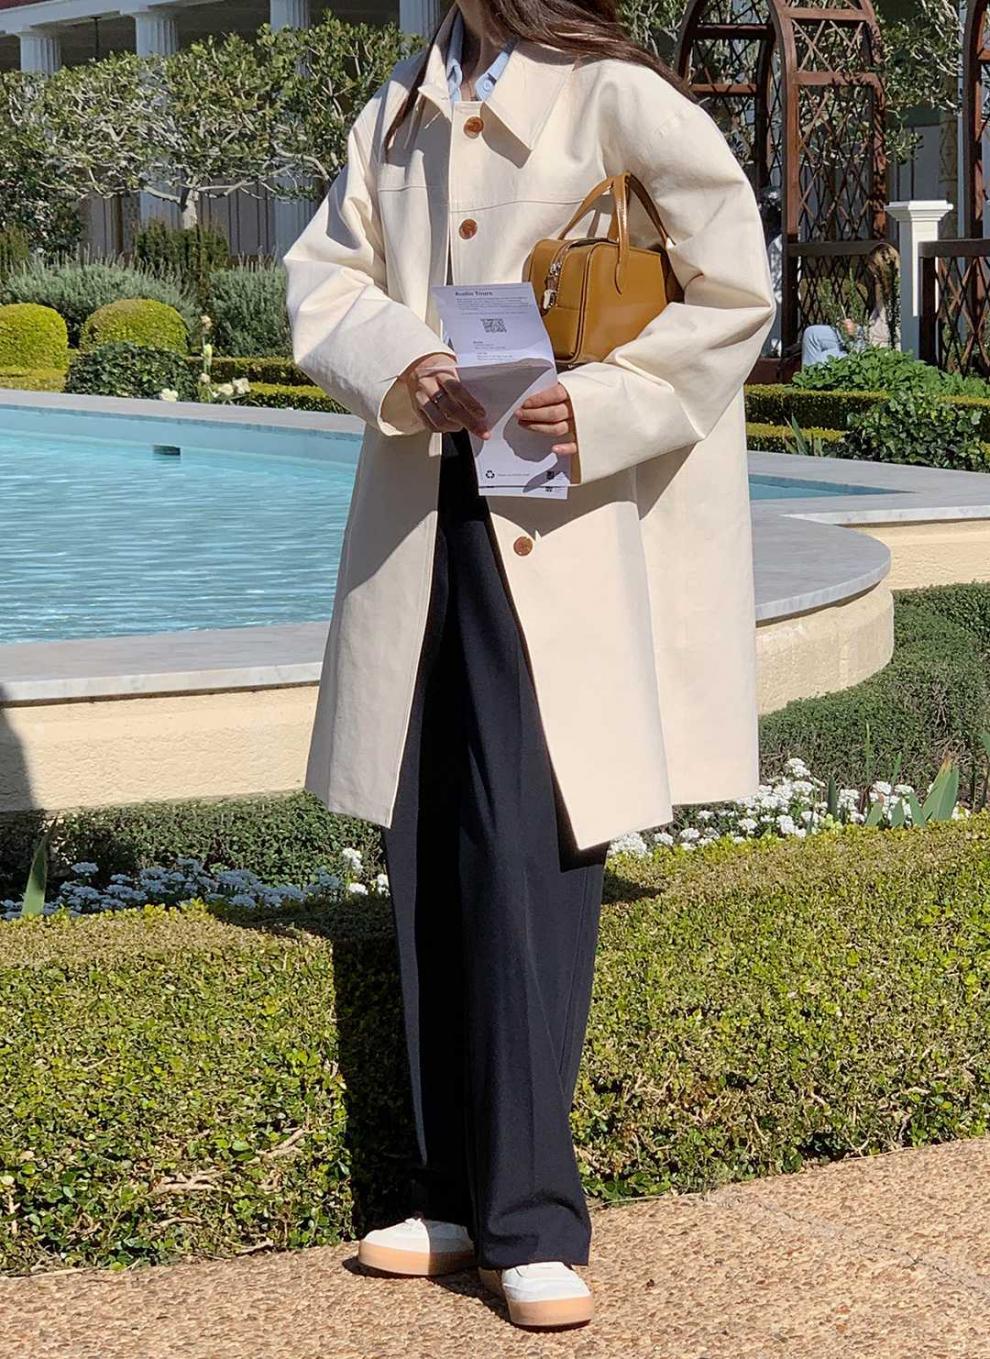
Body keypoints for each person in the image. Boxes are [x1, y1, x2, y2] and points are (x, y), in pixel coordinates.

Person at [282, 0, 775, 1331]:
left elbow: (736, 292)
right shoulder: (397, 104)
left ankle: (534, 1219)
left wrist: (597, 402)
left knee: (525, 846)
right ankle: (451, 1197)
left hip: (560, 522)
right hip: (426, 514)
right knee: (428, 828)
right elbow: (323, 277)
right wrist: (409, 359)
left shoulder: (613, 93)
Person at [801, 242, 899, 367]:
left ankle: (813, 375)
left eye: (876, 275)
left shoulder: (899, 296)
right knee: (812, 333)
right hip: (864, 338)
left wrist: (857, 330)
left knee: (822, 358)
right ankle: (808, 376)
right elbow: (874, 323)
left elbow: (889, 334)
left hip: (876, 347)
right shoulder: (882, 291)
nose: (874, 279)